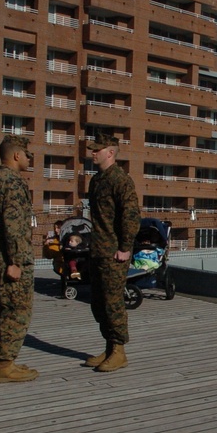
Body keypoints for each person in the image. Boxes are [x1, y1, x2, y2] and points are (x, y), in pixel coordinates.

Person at [0, 135, 38, 383]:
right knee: (16, 311)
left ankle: (1, 362)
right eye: (27, 154)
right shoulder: (11, 182)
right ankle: (4, 365)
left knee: (2, 309)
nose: (29, 158)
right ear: (16, 155)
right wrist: (15, 261)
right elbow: (13, 227)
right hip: (12, 260)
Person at [84, 133, 141, 372]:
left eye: (97, 150)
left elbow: (130, 216)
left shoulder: (121, 180)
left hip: (114, 252)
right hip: (98, 249)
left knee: (113, 302)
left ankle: (119, 351)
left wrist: (125, 248)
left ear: (111, 152)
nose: (92, 153)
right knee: (98, 302)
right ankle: (109, 346)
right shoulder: (96, 181)